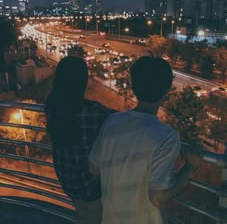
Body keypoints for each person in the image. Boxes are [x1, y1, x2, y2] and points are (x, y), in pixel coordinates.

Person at [89, 56, 201, 224]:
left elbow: (94, 168)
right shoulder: (166, 136)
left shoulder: (113, 121)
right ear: (168, 89)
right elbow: (157, 197)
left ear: (132, 84)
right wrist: (190, 167)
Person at [45, 56, 115, 224]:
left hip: (67, 179)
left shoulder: (52, 106)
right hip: (89, 184)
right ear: (83, 82)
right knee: (95, 218)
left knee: (83, 214)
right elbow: (121, 119)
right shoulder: (93, 112)